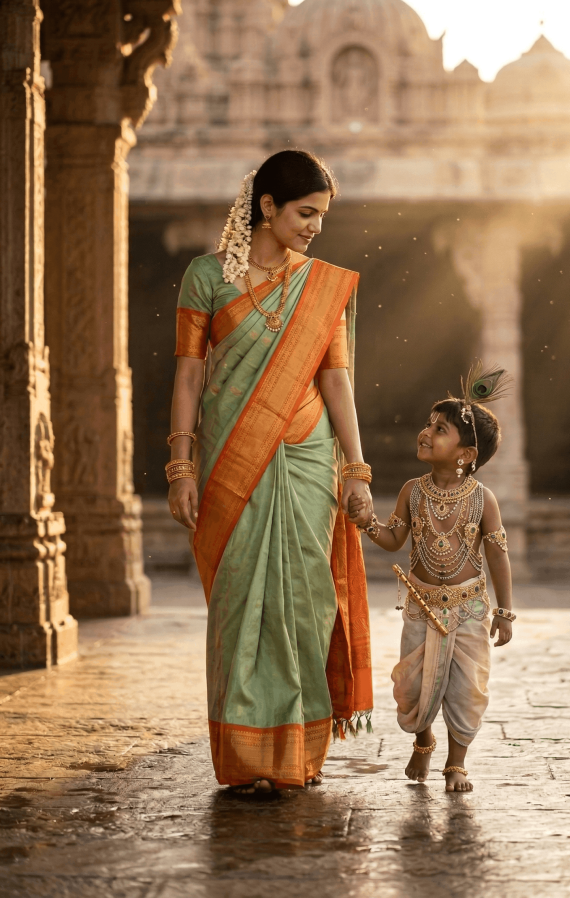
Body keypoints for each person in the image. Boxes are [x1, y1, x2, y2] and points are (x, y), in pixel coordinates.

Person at [167, 150, 373, 795]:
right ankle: (245, 757)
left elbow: (336, 380)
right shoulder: (206, 277)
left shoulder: (321, 286)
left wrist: (358, 467)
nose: (315, 226)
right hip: (232, 455)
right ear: (267, 207)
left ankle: (298, 757)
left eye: (321, 216)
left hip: (309, 454)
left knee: (306, 599)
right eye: (306, 213)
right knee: (238, 603)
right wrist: (180, 464)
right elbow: (190, 376)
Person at [349, 366, 515, 793]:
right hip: (422, 607)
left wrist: (505, 612)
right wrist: (368, 524)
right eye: (428, 424)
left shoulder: (483, 500)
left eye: (439, 429)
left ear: (465, 455)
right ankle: (423, 740)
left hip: (470, 609)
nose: (426, 432)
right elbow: (394, 539)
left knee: (466, 689)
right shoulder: (412, 491)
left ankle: (456, 764)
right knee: (410, 687)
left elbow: (498, 557)